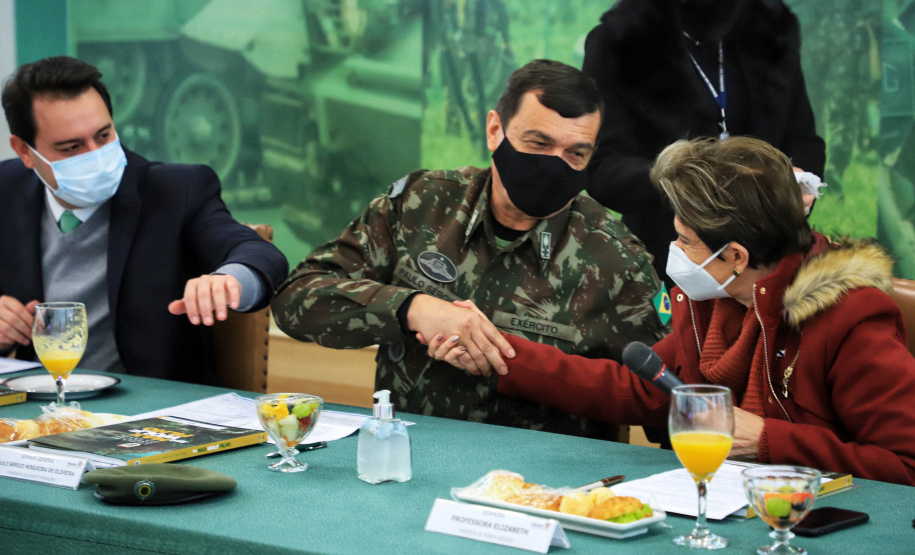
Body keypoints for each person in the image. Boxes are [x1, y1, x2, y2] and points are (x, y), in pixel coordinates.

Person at [429, 137, 915, 486]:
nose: (675, 251)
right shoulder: (712, 298)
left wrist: (769, 440)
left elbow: (905, 464)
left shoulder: (851, 318)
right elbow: (643, 389)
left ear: (736, 256)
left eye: (685, 240)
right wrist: (499, 353)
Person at [272, 59, 669, 440]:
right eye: (539, 142)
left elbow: (667, 397)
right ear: (495, 130)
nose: (556, 165)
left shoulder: (615, 258)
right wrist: (413, 309)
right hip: (409, 456)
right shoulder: (422, 204)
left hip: (541, 475)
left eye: (575, 153)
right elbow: (295, 301)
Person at [0, 56, 288, 384]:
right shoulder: (5, 190)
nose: (95, 156)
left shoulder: (175, 191)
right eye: (71, 147)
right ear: (24, 151)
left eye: (103, 136)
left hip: (150, 403)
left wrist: (229, 280)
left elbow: (261, 255)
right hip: (39, 399)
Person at [581, 0, 826, 288]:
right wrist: (692, 181)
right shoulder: (620, 39)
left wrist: (794, 186)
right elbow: (605, 167)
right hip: (670, 255)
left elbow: (803, 140)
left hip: (767, 254)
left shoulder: (769, 30)